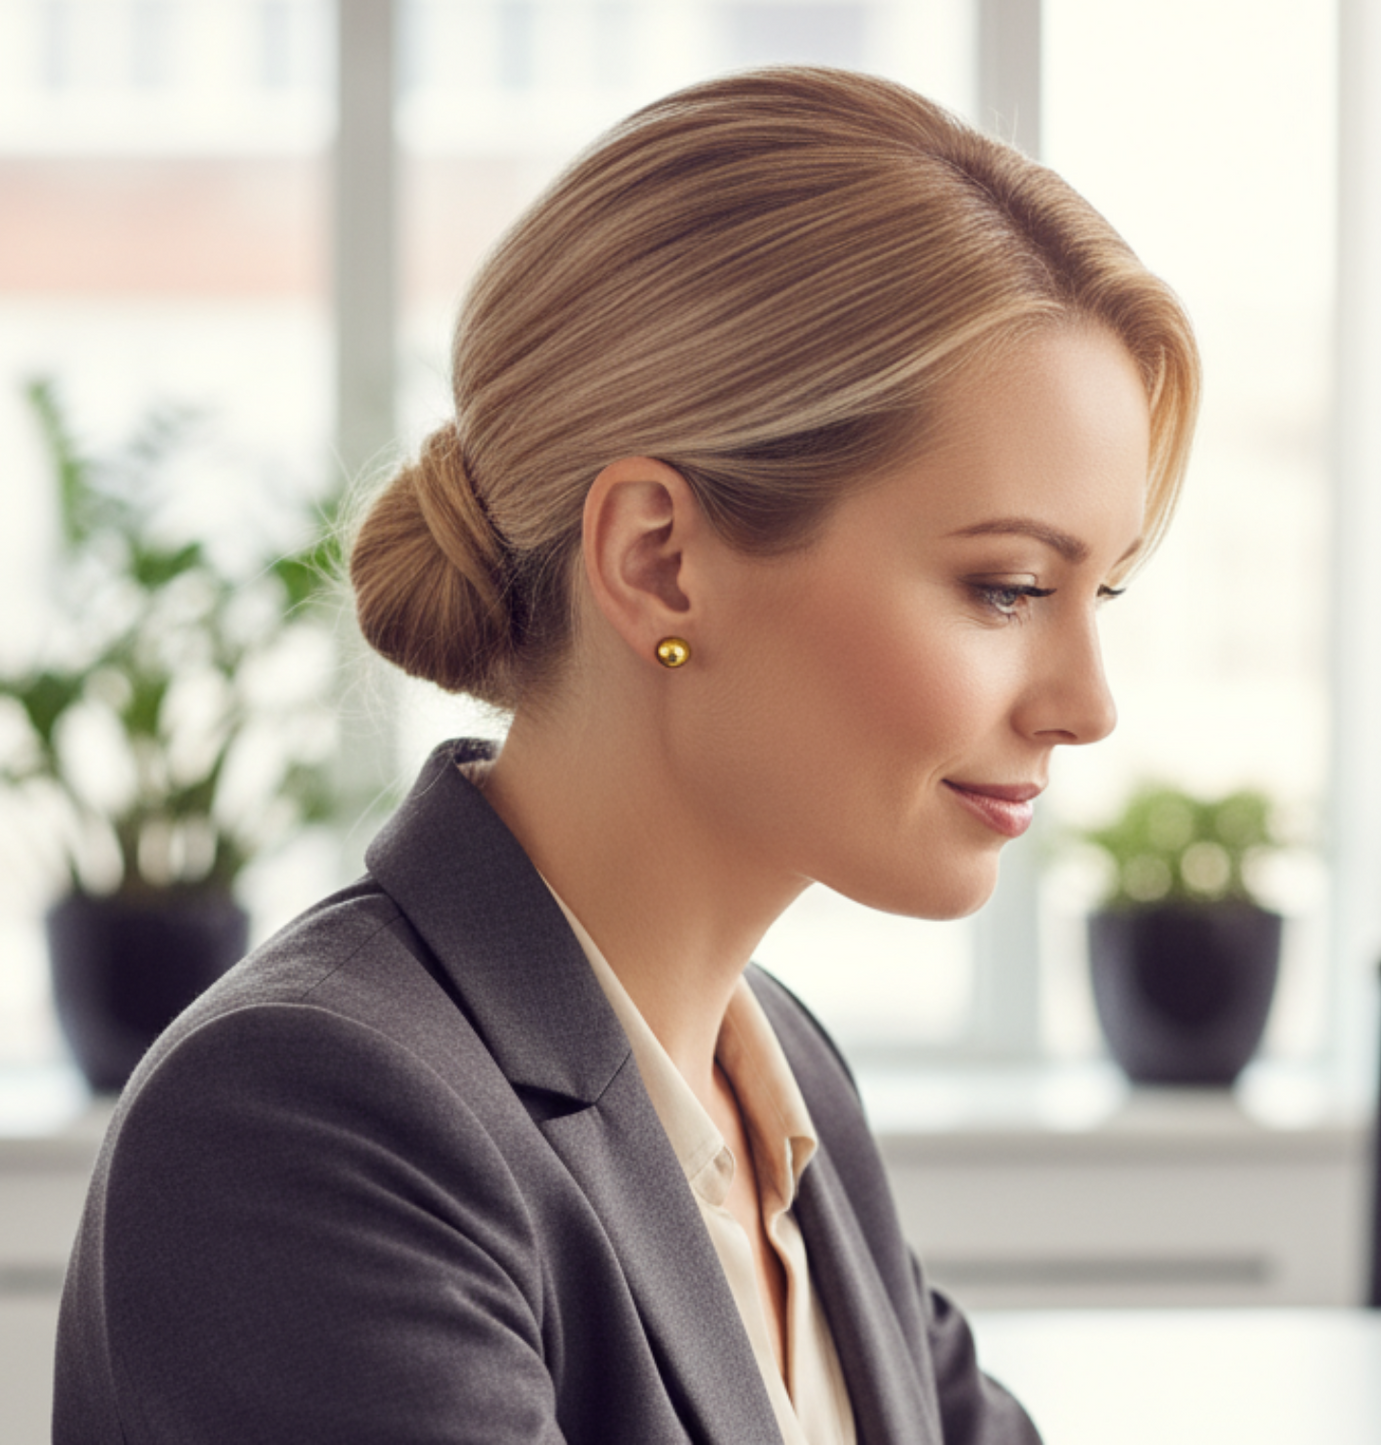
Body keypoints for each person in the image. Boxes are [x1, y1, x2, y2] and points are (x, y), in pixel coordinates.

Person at [54, 67, 1199, 1444]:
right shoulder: (313, 1118)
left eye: (1103, 595)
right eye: (1008, 587)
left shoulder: (774, 1086)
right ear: (659, 561)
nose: (1087, 704)